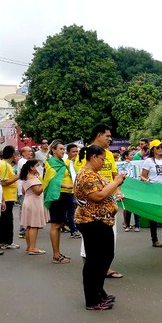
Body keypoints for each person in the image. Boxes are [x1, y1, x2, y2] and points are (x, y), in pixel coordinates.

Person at [74, 145, 125, 311]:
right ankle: (92, 299)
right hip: (91, 221)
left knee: (105, 257)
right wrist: (116, 181)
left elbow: (105, 190)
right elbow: (98, 196)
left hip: (102, 221)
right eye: (103, 159)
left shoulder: (94, 174)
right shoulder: (86, 175)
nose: (104, 163)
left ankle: (99, 292)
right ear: (94, 157)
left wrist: (116, 185)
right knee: (94, 261)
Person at [75, 124, 123, 278]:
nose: (110, 139)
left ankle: (103, 268)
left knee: (109, 241)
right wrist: (113, 185)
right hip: (92, 209)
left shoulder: (108, 154)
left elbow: (113, 174)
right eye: (107, 136)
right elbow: (87, 184)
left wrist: (118, 190)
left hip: (108, 203)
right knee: (91, 243)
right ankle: (91, 269)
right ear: (98, 135)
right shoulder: (85, 153)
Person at [44, 139, 73, 264]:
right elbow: (51, 180)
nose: (63, 151)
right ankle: (56, 255)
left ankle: (57, 252)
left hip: (65, 195)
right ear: (54, 150)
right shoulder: (50, 162)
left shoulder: (61, 162)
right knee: (55, 225)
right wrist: (67, 186)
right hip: (57, 196)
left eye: (63, 149)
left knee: (60, 224)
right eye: (60, 149)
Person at [19, 159, 47, 255]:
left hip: (28, 201)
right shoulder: (33, 178)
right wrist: (44, 182)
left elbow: (23, 191)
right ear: (31, 168)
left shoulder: (26, 177)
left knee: (29, 226)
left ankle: (29, 246)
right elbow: (38, 191)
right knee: (34, 225)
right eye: (37, 166)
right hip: (34, 202)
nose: (39, 168)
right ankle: (33, 247)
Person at [0, 146, 20, 250]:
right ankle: (7, 241)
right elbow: (3, 182)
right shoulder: (5, 165)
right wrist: (19, 176)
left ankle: (0, 240)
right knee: (7, 219)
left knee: (5, 219)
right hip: (7, 196)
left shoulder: (5, 164)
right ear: (13, 154)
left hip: (8, 196)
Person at [64, 143, 81, 239]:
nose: (75, 153)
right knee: (71, 211)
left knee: (76, 211)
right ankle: (73, 230)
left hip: (78, 190)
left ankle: (75, 228)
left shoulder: (78, 162)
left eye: (77, 151)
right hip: (68, 191)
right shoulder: (65, 163)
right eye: (73, 152)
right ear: (68, 152)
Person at [17, 146, 34, 239]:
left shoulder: (28, 161)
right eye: (28, 151)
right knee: (24, 209)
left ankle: (27, 227)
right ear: (23, 153)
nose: (30, 153)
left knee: (28, 209)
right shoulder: (22, 162)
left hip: (29, 189)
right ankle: (23, 229)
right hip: (23, 189)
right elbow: (26, 176)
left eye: (31, 151)